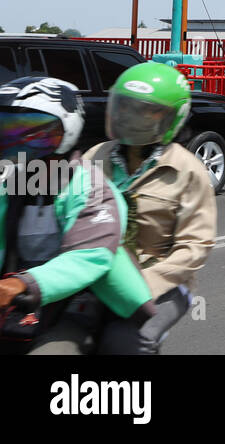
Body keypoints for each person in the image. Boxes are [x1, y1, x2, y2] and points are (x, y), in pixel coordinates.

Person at [33, 62, 216, 354]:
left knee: (128, 343)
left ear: (172, 118)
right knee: (54, 343)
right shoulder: (96, 156)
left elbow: (195, 246)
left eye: (147, 111)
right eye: (126, 107)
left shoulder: (188, 171)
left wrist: (145, 282)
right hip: (95, 274)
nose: (132, 117)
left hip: (161, 281)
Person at [0, 77, 155, 355]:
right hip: (16, 297)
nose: (19, 141)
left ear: (66, 131)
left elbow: (89, 256)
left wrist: (23, 283)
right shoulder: (11, 181)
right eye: (9, 131)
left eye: (33, 132)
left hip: (80, 297)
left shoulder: (90, 186)